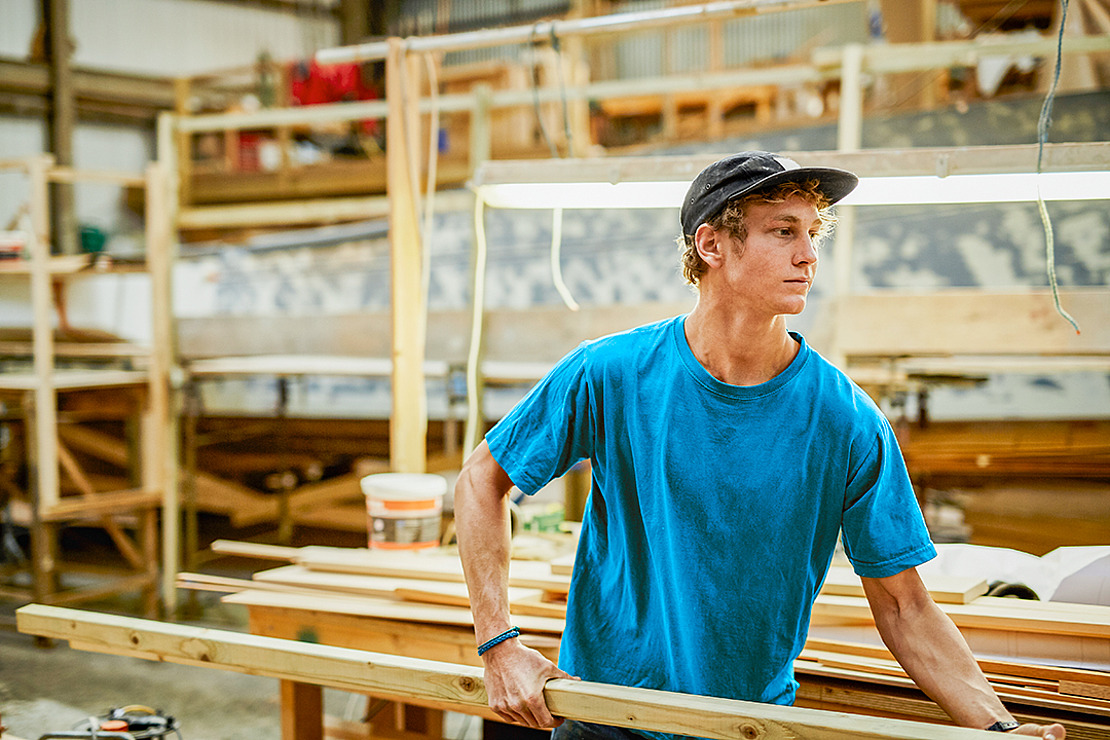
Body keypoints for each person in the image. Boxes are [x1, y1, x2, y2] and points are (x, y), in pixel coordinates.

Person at [454, 151, 1065, 740]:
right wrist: (498, 644)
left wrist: (1000, 726)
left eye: (812, 234)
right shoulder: (611, 373)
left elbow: (906, 608)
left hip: (747, 727)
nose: (808, 255)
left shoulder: (845, 419)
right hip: (607, 716)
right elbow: (482, 480)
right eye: (783, 231)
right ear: (712, 244)